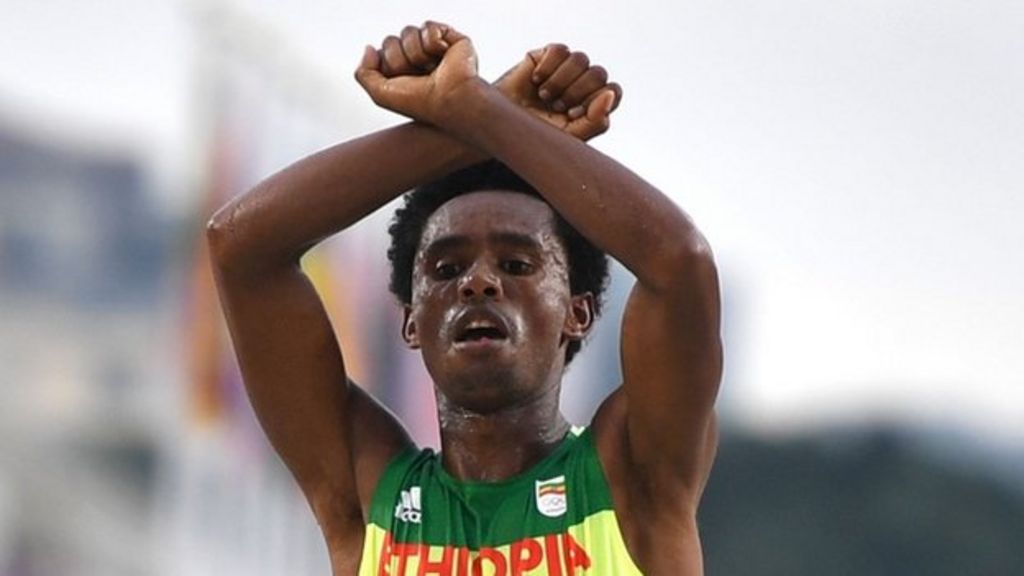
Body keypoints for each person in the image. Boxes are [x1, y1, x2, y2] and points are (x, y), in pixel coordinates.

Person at [207, 21, 722, 575]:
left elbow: (680, 262)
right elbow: (239, 244)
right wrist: (477, 116)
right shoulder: (368, 496)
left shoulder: (633, 474)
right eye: (446, 268)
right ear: (409, 321)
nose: (478, 283)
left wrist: (476, 112)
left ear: (578, 311)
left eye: (518, 264)